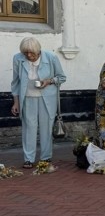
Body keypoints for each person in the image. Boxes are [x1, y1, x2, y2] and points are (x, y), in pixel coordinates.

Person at [10, 37, 67, 168]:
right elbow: (15, 82)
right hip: (27, 98)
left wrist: (49, 81)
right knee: (28, 128)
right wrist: (16, 102)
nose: (29, 56)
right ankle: (28, 158)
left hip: (47, 98)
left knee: (46, 127)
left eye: (32, 53)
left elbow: (62, 77)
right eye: (26, 53)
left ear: (38, 50)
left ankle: (45, 157)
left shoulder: (51, 57)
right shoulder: (18, 58)